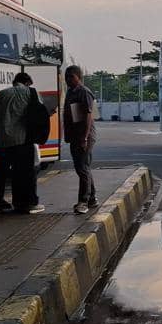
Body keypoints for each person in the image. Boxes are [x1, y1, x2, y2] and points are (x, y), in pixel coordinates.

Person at [0, 72, 45, 217]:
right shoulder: (31, 92)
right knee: (24, 173)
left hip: (1, 141)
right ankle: (25, 203)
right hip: (21, 140)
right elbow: (39, 113)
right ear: (27, 83)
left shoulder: (1, 94)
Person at [63, 65, 97, 214]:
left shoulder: (84, 92)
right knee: (83, 168)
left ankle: (83, 201)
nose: (68, 80)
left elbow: (89, 116)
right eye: (66, 77)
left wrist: (84, 138)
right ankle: (92, 198)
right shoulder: (70, 92)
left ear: (79, 77)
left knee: (82, 168)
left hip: (84, 136)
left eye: (71, 76)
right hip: (75, 136)